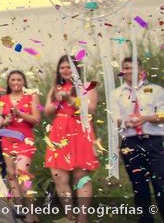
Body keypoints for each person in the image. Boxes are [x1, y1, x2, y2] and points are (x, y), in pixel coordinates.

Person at [44, 55, 98, 223]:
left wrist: (71, 99)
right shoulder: (56, 87)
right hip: (59, 132)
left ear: (76, 69)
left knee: (80, 176)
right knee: (59, 175)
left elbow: (91, 108)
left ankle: (82, 217)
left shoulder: (87, 85)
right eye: (62, 68)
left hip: (79, 129)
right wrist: (57, 102)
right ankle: (69, 215)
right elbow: (47, 110)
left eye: (69, 67)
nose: (65, 70)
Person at [112, 57, 164, 223]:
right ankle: (145, 218)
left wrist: (146, 118)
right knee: (138, 184)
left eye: (131, 68)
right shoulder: (117, 93)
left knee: (160, 182)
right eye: (125, 68)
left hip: (154, 140)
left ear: (141, 69)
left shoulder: (155, 90)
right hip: (131, 141)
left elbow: (163, 114)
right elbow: (115, 117)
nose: (128, 71)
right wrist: (125, 121)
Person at [0, 70, 40, 220]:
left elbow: (36, 119)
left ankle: (32, 213)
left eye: (19, 79)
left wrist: (20, 114)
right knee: (11, 174)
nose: (16, 82)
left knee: (22, 173)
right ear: (8, 82)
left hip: (25, 138)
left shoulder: (32, 97)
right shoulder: (3, 98)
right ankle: (20, 210)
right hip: (8, 137)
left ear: (24, 81)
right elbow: (0, 119)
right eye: (12, 80)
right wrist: (6, 119)